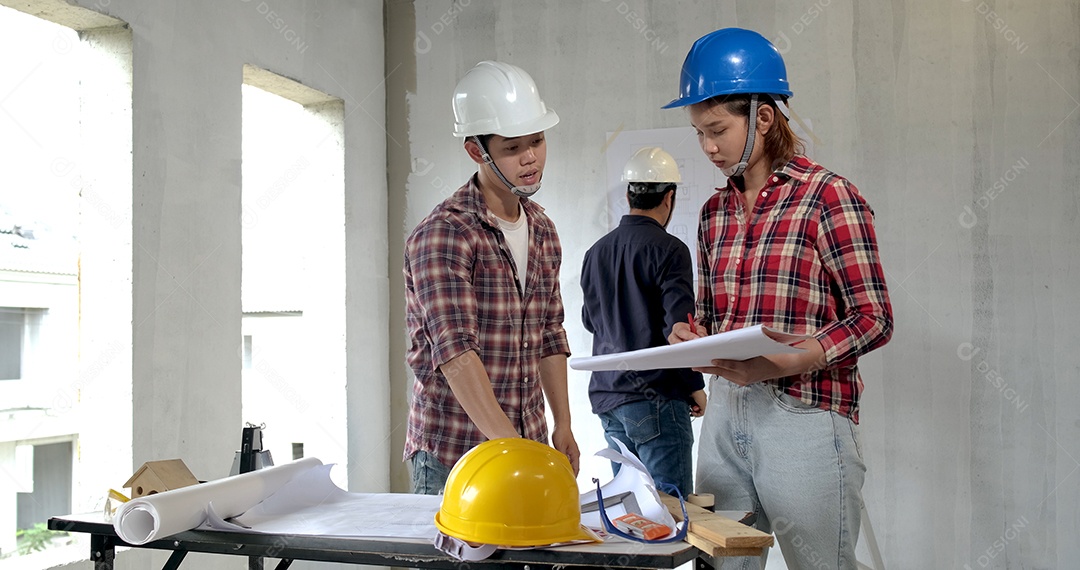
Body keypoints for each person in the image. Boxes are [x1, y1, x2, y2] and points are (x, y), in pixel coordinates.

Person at [663, 29, 893, 569]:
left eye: (717, 130)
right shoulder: (713, 214)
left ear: (763, 118)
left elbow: (873, 317)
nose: (708, 148)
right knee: (720, 563)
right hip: (723, 417)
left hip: (805, 417)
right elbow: (718, 320)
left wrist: (794, 358)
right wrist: (692, 336)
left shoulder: (829, 197)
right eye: (698, 133)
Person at [403, 61, 580, 495]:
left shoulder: (542, 228)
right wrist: (512, 454)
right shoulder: (446, 233)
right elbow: (456, 355)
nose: (530, 158)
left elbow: (550, 335)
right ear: (476, 150)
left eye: (537, 140)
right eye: (512, 146)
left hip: (528, 442)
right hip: (456, 456)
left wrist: (563, 426)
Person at [580, 146, 706, 498]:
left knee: (634, 511)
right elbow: (678, 331)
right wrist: (694, 386)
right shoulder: (670, 250)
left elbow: (592, 322)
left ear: (628, 194)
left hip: (609, 401)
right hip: (657, 398)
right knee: (673, 512)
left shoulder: (596, 253)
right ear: (669, 197)